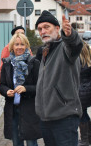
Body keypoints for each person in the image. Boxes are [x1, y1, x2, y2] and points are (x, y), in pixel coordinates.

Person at [34, 10, 83, 146]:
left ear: (57, 28)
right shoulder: (46, 50)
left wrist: (70, 35)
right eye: (40, 29)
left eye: (46, 27)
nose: (43, 31)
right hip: (46, 119)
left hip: (64, 118)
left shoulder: (64, 47)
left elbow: (74, 47)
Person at [0, 33, 42, 146]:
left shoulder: (34, 63)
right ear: (12, 46)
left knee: (31, 142)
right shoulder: (7, 63)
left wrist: (25, 89)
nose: (19, 47)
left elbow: (41, 87)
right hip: (12, 110)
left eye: (22, 44)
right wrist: (6, 91)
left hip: (29, 109)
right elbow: (2, 85)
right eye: (17, 44)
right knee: (16, 142)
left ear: (27, 46)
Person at [78, 40, 91, 146]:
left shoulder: (79, 62)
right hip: (88, 91)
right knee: (85, 114)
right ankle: (89, 139)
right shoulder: (88, 61)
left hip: (81, 92)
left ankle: (85, 140)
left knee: (81, 115)